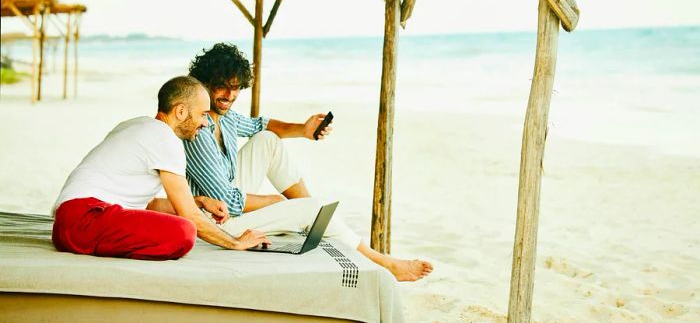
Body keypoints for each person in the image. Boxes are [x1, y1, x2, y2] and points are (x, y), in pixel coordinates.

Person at [185, 43, 433, 281]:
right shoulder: (197, 128)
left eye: (236, 87)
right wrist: (274, 202)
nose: (230, 95)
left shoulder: (224, 117)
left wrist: (304, 129)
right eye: (222, 87)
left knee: (267, 139)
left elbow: (262, 124)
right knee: (309, 207)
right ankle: (383, 262)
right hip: (214, 221)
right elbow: (227, 201)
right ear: (204, 84)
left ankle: (309, 220)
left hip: (226, 202)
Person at [51, 75, 270, 260]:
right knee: (184, 231)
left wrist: (199, 201)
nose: (205, 123)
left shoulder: (136, 125)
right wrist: (235, 243)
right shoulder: (165, 138)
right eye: (203, 114)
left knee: (177, 225)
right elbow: (190, 216)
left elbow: (151, 204)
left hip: (70, 223)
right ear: (181, 111)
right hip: (86, 219)